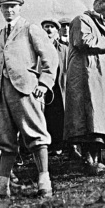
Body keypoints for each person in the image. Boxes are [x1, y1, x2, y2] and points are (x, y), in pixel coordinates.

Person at [0, 0, 57, 201]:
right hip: (0, 95)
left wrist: (44, 83)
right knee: (5, 140)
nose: (9, 10)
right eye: (5, 7)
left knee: (36, 134)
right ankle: (2, 186)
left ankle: (44, 182)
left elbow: (50, 57)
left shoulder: (30, 28)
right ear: (0, 9)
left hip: (25, 90)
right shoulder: (0, 35)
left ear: (19, 8)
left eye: (13, 6)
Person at [64, 0, 105, 176]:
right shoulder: (81, 20)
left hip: (98, 80)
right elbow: (83, 41)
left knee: (97, 122)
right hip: (85, 79)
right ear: (97, 3)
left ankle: (96, 162)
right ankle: (89, 162)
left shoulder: (101, 24)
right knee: (87, 122)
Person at [41, 18, 68, 154]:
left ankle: (61, 145)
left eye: (52, 27)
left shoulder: (64, 49)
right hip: (44, 86)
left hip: (59, 86)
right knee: (44, 115)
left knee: (60, 115)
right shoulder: (38, 47)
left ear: (57, 31)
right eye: (46, 26)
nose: (49, 29)